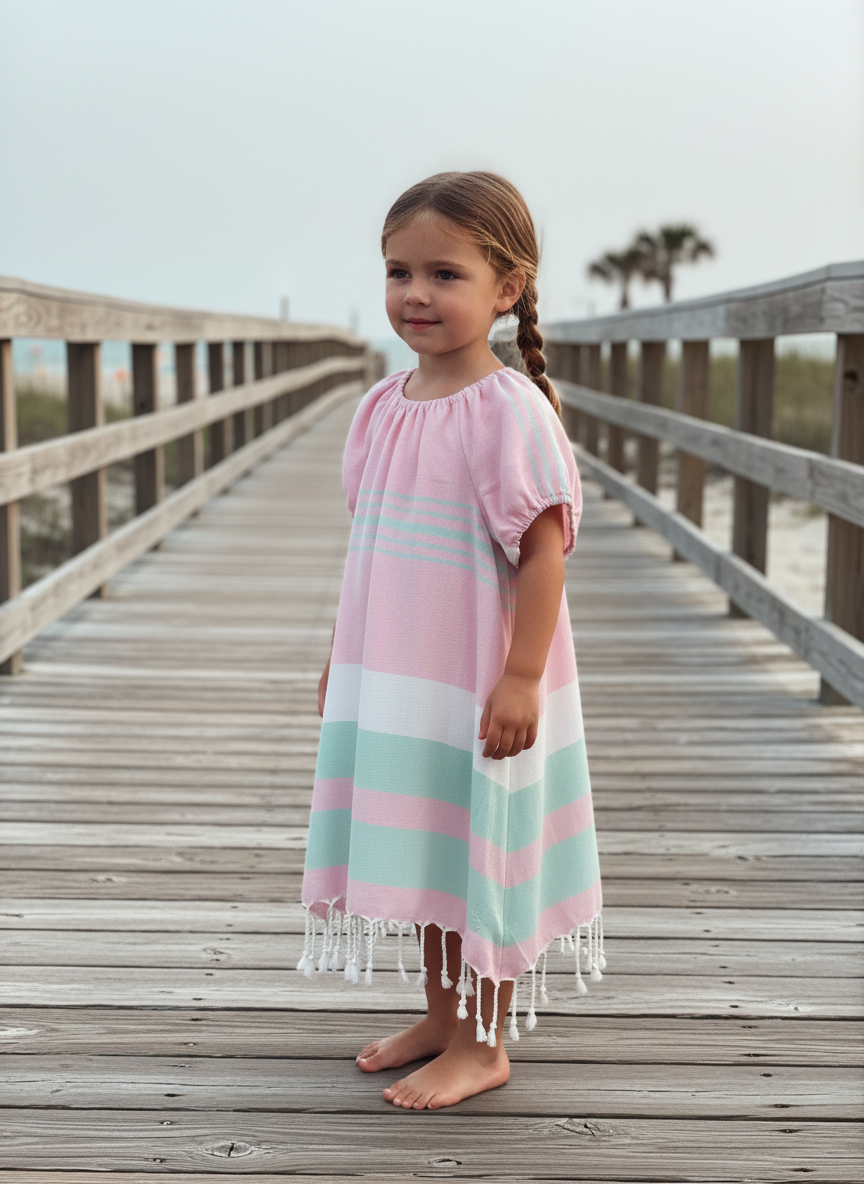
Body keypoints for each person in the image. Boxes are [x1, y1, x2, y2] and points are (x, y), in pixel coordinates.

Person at [300, 171, 603, 1110]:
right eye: (399, 272)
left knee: (485, 843)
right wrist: (339, 659)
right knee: (432, 843)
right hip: (402, 673)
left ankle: (485, 1042)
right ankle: (441, 1015)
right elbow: (374, 546)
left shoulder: (510, 411)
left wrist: (521, 676)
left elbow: (544, 551)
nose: (416, 295)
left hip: (482, 672)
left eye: (444, 274)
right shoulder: (383, 406)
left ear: (506, 289)